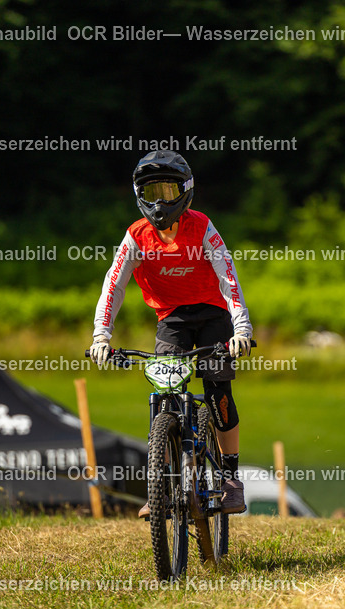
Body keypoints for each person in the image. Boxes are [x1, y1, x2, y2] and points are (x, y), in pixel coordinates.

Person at [90, 149, 252, 516]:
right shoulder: (136, 236)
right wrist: (102, 335)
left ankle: (229, 479)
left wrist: (240, 327)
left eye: (167, 191)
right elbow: (113, 285)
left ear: (186, 191)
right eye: (151, 194)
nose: (159, 202)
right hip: (172, 319)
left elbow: (229, 277)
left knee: (218, 393)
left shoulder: (203, 227)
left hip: (213, 314)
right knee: (165, 394)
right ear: (138, 197)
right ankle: (160, 487)